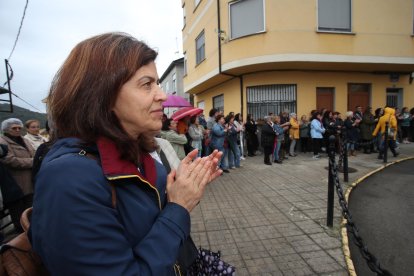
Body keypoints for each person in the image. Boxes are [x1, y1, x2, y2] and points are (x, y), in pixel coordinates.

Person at [30, 33, 222, 275]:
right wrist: (179, 206)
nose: (161, 95)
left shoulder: (138, 155)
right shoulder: (68, 179)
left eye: (158, 84)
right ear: (103, 95)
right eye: (146, 84)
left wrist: (178, 188)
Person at [0, 118, 35, 233]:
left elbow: (33, 153)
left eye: (19, 127)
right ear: (6, 129)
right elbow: (9, 160)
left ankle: (32, 235)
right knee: (19, 215)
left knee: (31, 212)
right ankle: (23, 240)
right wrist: (32, 161)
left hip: (29, 182)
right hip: (14, 184)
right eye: (14, 128)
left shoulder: (24, 140)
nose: (17, 130)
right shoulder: (2, 141)